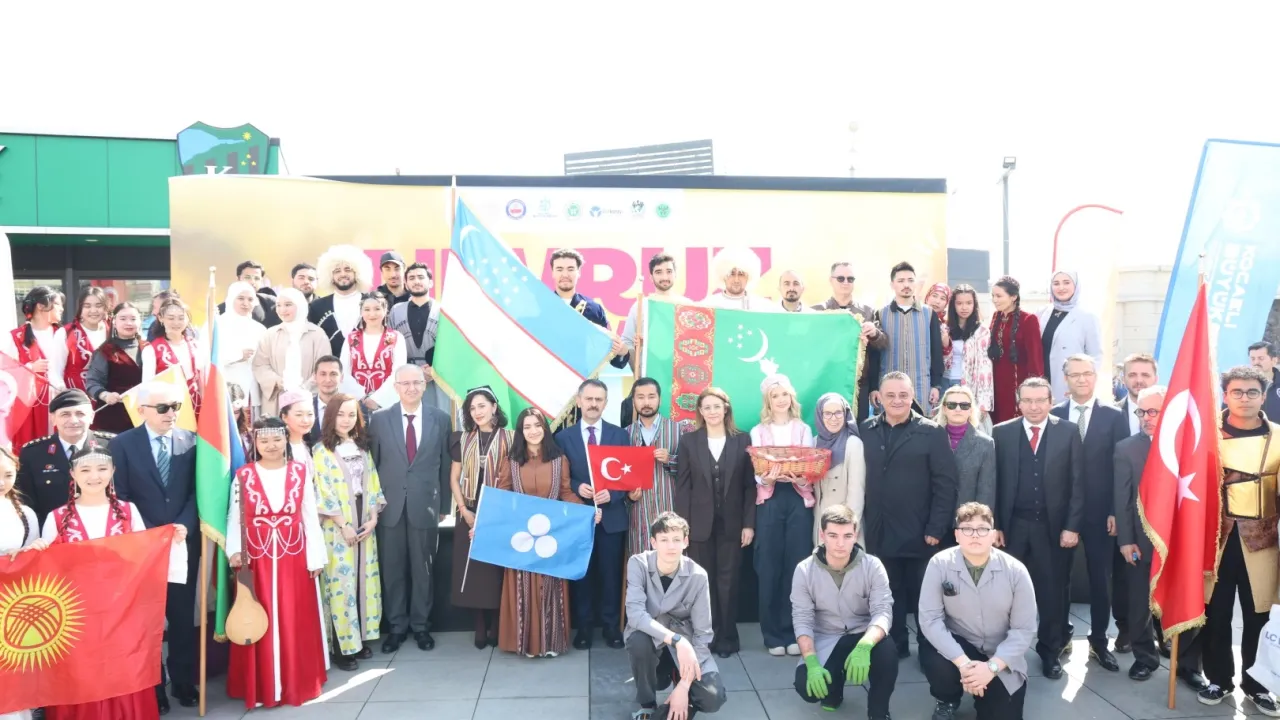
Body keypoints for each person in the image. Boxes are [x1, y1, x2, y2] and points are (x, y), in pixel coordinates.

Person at [35, 442, 188, 720]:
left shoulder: (128, 511)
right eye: (85, 470)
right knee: (82, 672)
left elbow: (144, 556)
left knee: (124, 668)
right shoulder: (56, 517)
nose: (94, 476)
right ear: (72, 474)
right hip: (76, 616)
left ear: (113, 471)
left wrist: (171, 540)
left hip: (123, 610)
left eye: (102, 469)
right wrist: (36, 551)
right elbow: (45, 570)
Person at [109, 381, 201, 709]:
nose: (171, 413)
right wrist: (148, 532)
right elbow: (120, 494)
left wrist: (185, 524)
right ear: (142, 411)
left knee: (181, 616)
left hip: (182, 542)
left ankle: (184, 682)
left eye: (175, 406)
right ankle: (154, 687)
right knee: (148, 620)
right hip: (142, 546)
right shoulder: (121, 444)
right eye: (163, 408)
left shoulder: (191, 441)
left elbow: (197, 491)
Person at [226, 417, 328, 709]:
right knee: (259, 615)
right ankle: (261, 686)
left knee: (294, 616)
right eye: (264, 440)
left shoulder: (299, 471)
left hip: (294, 556)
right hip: (255, 559)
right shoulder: (243, 475)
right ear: (255, 443)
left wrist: (315, 557)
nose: (270, 445)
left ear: (285, 439)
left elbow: (309, 515)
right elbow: (235, 515)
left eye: (276, 439)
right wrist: (234, 551)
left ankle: (296, 682)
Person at [1198, 365, 1280, 713]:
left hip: (1262, 542)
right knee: (1215, 614)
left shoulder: (1278, 437)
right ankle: (1218, 679)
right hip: (1215, 540)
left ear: (1263, 396)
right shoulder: (1205, 435)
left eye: (1251, 392)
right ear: (1225, 395)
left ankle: (1257, 684)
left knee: (1258, 615)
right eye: (1237, 392)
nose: (1244, 398)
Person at [1113, 385, 1207, 688]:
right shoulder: (1126, 448)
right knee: (1138, 602)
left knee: (1185, 598)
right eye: (1142, 411)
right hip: (1141, 540)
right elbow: (1122, 499)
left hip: (1182, 539)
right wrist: (1126, 540)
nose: (1146, 417)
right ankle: (1145, 658)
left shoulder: (1191, 446)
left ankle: (1188, 665)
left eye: (1153, 411)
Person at [991, 376, 1083, 679]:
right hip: (1013, 526)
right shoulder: (1002, 432)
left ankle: (1050, 651)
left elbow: (1077, 482)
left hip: (1051, 528)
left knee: (1051, 592)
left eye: (1040, 400)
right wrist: (996, 525)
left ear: (1051, 401)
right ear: (1019, 403)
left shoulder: (1068, 432)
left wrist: (1072, 526)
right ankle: (1004, 653)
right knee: (1005, 592)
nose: (1034, 406)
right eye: (1027, 401)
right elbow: (994, 482)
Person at [861, 371, 958, 658]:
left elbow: (946, 484)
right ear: (879, 397)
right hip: (879, 530)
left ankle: (929, 649)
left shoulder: (931, 431)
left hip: (921, 533)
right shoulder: (866, 430)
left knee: (924, 597)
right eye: (890, 395)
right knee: (888, 594)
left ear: (912, 395)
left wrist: (936, 528)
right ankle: (896, 646)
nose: (897, 400)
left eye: (903, 395)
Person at [919, 502, 1036, 720]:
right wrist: (964, 664)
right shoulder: (939, 564)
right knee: (934, 656)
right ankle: (947, 698)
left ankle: (985, 692)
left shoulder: (1016, 571)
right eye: (967, 529)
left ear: (993, 535)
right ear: (956, 535)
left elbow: (1024, 629)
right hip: (959, 643)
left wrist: (991, 668)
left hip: (1000, 652)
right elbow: (930, 620)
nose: (975, 535)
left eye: (982, 529)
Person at [1049, 353, 1128, 672]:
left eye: (1087, 373)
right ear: (1065, 378)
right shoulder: (1053, 414)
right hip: (1061, 513)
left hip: (1100, 512)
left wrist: (1114, 510)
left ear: (1096, 377)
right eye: (1075, 374)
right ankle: (1060, 636)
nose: (1081, 379)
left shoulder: (1114, 416)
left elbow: (1120, 468)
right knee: (1059, 578)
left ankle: (1099, 641)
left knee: (1100, 579)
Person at [368, 364, 451, 652]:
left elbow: (445, 464)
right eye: (405, 383)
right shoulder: (380, 420)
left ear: (425, 385)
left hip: (425, 505)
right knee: (392, 570)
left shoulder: (441, 419)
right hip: (389, 508)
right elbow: (373, 466)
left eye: (416, 382)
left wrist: (444, 505)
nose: (411, 388)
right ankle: (396, 627)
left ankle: (421, 626)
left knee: (423, 569)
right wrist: (374, 505)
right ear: (396, 387)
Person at [498, 407, 589, 658]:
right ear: (520, 431)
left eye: (537, 425)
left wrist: (587, 512)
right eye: (527, 427)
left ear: (545, 429)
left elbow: (566, 493)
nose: (533, 431)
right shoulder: (511, 461)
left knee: (551, 585)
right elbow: (502, 496)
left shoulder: (559, 460)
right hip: (521, 537)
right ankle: (527, 644)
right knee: (523, 586)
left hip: (551, 535)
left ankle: (551, 642)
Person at [791, 504, 896, 717]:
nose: (840, 543)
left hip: (863, 634)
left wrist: (865, 646)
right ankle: (834, 688)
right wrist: (811, 661)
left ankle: (879, 711)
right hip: (826, 636)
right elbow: (802, 619)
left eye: (847, 536)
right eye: (833, 535)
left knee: (887, 656)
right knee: (806, 687)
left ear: (855, 535)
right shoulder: (804, 570)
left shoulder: (873, 566)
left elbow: (883, 611)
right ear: (822, 535)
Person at [674, 387, 755, 658]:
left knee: (728, 583)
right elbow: (683, 487)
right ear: (700, 411)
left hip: (732, 524)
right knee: (703, 582)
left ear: (726, 408)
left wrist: (748, 524)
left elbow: (749, 487)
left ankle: (727, 638)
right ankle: (706, 636)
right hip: (699, 525)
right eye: (706, 407)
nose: (712, 412)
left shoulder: (742, 439)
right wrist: (682, 528)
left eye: (716, 406)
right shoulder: (689, 441)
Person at [625, 512, 728, 720]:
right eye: (664, 540)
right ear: (653, 542)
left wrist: (684, 685)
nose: (671, 546)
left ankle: (675, 702)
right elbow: (635, 614)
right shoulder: (638, 564)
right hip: (655, 640)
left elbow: (703, 632)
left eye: (676, 539)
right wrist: (676, 640)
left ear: (685, 542)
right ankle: (647, 704)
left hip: (688, 647)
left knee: (713, 697)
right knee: (638, 641)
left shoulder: (698, 576)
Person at [554, 378, 631, 649]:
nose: (593, 404)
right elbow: (560, 477)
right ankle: (584, 628)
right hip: (578, 517)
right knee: (582, 575)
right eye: (589, 399)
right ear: (579, 401)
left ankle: (611, 627)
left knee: (611, 575)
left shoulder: (620, 436)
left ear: (606, 403)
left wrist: (614, 493)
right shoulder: (563, 438)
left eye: (599, 400)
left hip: (611, 517)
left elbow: (628, 475)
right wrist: (577, 486)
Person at [313, 393, 385, 671]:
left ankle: (359, 638)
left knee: (362, 581)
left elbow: (373, 482)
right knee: (340, 583)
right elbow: (323, 491)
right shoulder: (321, 450)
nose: (346, 420)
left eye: (351, 414)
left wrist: (374, 517)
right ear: (331, 417)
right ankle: (341, 647)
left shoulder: (361, 447)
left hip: (363, 517)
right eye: (340, 414)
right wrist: (343, 525)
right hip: (337, 523)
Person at [749, 374, 816, 656]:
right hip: (770, 499)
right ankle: (772, 635)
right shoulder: (758, 431)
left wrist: (801, 478)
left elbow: (809, 467)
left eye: (784, 395)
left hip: (798, 499)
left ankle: (793, 632)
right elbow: (757, 471)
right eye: (775, 396)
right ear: (768, 401)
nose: (780, 400)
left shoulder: (803, 429)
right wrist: (767, 478)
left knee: (797, 564)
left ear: (791, 398)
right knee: (769, 566)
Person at [449, 386, 514, 649]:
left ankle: (497, 623)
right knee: (474, 571)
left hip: (500, 512)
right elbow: (454, 478)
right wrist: (464, 510)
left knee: (496, 570)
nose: (477, 412)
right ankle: (479, 624)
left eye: (482, 406)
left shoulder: (512, 438)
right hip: (469, 510)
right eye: (472, 408)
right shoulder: (462, 439)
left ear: (494, 407)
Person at [16, 389, 116, 526]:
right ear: (53, 418)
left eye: (80, 414)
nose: (73, 420)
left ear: (92, 417)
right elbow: (26, 501)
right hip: (53, 530)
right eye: (65, 414)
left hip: (104, 528)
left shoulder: (112, 446)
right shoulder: (33, 453)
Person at [811, 262, 887, 422]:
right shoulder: (817, 311)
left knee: (857, 430)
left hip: (857, 384)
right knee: (826, 426)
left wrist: (874, 333)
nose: (845, 282)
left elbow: (882, 344)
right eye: (840, 278)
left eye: (850, 279)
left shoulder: (867, 312)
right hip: (825, 380)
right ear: (831, 280)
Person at [867, 262, 944, 415]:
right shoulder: (881, 314)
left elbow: (936, 352)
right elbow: (874, 354)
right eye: (901, 281)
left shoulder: (929, 314)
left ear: (915, 283)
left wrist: (936, 385)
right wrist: (874, 387)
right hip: (889, 389)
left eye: (910, 280)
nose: (906, 285)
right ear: (892, 285)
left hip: (921, 388)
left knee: (921, 427)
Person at [624, 377, 686, 557]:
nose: (646, 402)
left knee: (671, 562)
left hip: (669, 508)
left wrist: (670, 460)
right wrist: (629, 496)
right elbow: (618, 477)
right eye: (640, 397)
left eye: (651, 396)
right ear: (633, 401)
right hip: (638, 512)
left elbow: (691, 472)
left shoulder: (678, 431)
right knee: (641, 563)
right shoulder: (626, 434)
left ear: (660, 399)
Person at [252, 287, 331, 417]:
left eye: (288, 305)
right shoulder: (270, 334)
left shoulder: (317, 334)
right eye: (278, 305)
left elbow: (324, 366)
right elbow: (260, 365)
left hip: (309, 397)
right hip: (277, 397)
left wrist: (304, 388)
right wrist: (278, 382)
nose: (282, 310)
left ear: (300, 305)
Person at [387, 262, 450, 413]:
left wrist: (435, 370)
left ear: (430, 282)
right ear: (406, 283)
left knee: (439, 418)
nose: (416, 281)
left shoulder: (444, 311)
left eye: (421, 277)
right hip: (406, 378)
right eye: (411, 278)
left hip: (439, 377)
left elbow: (452, 347)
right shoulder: (396, 311)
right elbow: (390, 346)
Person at [7, 286, 64, 448]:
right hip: (30, 404)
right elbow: (5, 372)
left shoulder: (64, 334)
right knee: (32, 447)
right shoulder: (16, 337)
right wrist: (30, 367)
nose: (62, 309)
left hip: (61, 397)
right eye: (58, 304)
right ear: (41, 306)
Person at [1036, 271, 1103, 403]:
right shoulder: (1041, 312)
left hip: (1070, 384)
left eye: (1066, 283)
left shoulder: (1087, 316)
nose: (1061, 288)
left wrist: (1083, 385)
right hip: (1042, 382)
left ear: (1076, 286)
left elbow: (1095, 355)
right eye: (1056, 283)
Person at [618, 254, 689, 372]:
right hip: (649, 375)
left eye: (669, 271)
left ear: (675, 274)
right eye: (658, 272)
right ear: (651, 277)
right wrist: (637, 369)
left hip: (681, 374)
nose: (664, 277)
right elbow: (627, 341)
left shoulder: (687, 306)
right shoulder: (640, 306)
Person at [987, 277, 1044, 424]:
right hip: (996, 384)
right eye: (993, 296)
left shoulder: (1028, 319)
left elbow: (1035, 357)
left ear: (1013, 297)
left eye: (999, 296)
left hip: (1018, 383)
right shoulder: (996, 317)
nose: (995, 300)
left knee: (1014, 424)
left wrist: (1035, 388)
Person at [812, 393, 865, 541]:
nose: (833, 418)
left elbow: (856, 493)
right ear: (820, 415)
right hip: (820, 526)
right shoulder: (815, 443)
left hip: (844, 528)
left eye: (838, 413)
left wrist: (849, 532)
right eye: (827, 413)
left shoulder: (853, 444)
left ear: (846, 414)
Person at [934, 385, 996, 511]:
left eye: (964, 405)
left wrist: (978, 520)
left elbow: (986, 491)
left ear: (971, 410)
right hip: (933, 516)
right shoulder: (930, 439)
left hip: (967, 518)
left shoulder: (986, 444)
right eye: (952, 405)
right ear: (944, 409)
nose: (958, 409)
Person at [85, 302, 145, 433]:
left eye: (133, 319)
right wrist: (105, 395)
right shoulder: (105, 351)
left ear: (140, 321)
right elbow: (92, 382)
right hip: (113, 418)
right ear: (114, 321)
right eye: (123, 319)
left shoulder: (149, 348)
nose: (128, 323)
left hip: (144, 416)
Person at [342, 293, 407, 411]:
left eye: (377, 309)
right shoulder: (351, 338)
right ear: (361, 312)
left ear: (385, 310)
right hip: (356, 402)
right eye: (367, 309)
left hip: (387, 402)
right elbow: (343, 371)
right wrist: (362, 396)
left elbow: (399, 372)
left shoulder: (396, 337)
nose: (372, 314)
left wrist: (377, 399)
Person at [142, 298, 205, 418]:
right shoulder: (151, 350)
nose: (176, 323)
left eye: (181, 318)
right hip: (168, 409)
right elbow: (148, 386)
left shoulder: (196, 345)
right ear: (161, 318)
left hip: (197, 406)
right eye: (171, 318)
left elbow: (203, 380)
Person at [310, 244, 375, 357]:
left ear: (357, 272)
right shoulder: (317, 307)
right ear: (330, 275)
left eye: (347, 269)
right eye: (337, 271)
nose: (343, 274)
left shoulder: (373, 303)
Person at [947, 284, 994, 430]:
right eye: (959, 303)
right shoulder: (945, 328)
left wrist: (984, 402)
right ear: (953, 305)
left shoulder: (981, 331)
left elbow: (985, 367)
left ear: (975, 304)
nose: (964, 307)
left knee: (970, 428)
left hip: (968, 385)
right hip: (946, 382)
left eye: (969, 303)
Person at [218, 281, 267, 416]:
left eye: (250, 299)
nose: (246, 303)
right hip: (225, 388)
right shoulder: (217, 325)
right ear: (231, 299)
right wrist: (237, 355)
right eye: (240, 298)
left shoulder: (259, 329)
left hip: (252, 388)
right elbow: (205, 358)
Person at [50, 286, 108, 396]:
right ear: (80, 309)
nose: (93, 310)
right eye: (87, 306)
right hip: (77, 397)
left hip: (110, 398)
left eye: (98, 305)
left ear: (105, 308)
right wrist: (63, 392)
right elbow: (55, 370)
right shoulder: (65, 333)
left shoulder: (113, 330)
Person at [214, 260, 281, 327]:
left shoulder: (272, 304)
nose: (252, 282)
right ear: (238, 279)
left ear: (261, 280)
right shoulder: (221, 310)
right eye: (247, 277)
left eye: (257, 278)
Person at [0, 446, 39, 557]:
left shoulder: (26, 514)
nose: (1, 483)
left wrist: (24, 552)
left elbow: (29, 559)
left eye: (8, 475)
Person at [706, 246, 772, 310]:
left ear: (748, 277)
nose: (736, 280)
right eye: (731, 274)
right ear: (723, 276)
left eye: (741, 274)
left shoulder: (762, 307)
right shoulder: (709, 306)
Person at [304, 355, 344, 446]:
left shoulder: (355, 408)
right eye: (323, 374)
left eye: (333, 374)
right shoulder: (305, 407)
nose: (328, 380)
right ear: (315, 377)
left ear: (342, 377)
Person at [1115, 353, 1158, 437]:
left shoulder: (1169, 413)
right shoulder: (1110, 414)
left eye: (1145, 375)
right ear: (1123, 379)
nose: (1139, 380)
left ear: (1156, 379)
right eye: (1132, 375)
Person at [279, 388, 318, 479]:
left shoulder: (310, 445)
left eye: (310, 414)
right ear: (284, 417)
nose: (305, 420)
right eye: (299, 415)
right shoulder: (279, 449)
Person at [925, 282, 954, 387]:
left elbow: (947, 364)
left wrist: (946, 345)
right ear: (927, 297)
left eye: (942, 298)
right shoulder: (916, 318)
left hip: (935, 379)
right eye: (934, 296)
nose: (937, 301)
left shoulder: (945, 327)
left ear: (946, 303)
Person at [1249, 340, 1280, 421]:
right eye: (1252, 359)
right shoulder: (1241, 384)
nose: (1256, 362)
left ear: (1274, 361)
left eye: (1261, 358)